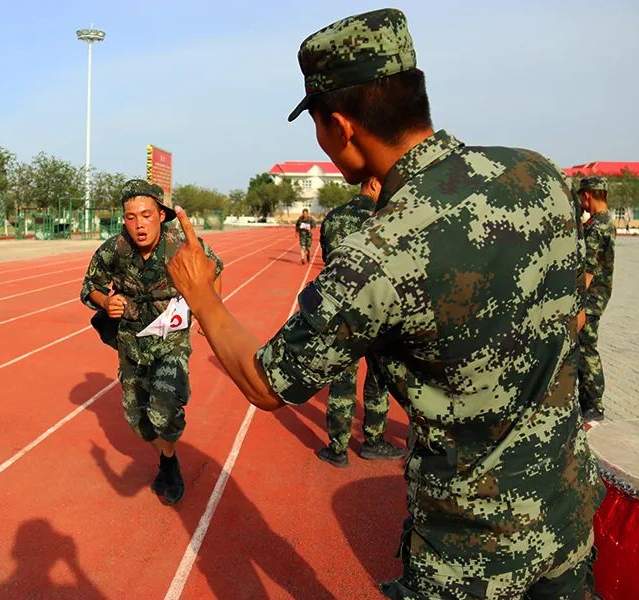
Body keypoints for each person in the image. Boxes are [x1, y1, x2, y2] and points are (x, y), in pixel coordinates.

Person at [166, 8, 603, 598]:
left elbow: (267, 384)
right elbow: (573, 312)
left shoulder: (377, 253)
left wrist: (203, 296)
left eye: (317, 126)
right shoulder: (536, 172)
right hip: (569, 514)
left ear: (340, 126)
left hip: (469, 554)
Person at [80, 179, 223, 505]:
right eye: (130, 217)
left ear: (161, 214)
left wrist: (209, 312)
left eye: (146, 215)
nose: (138, 224)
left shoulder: (181, 245)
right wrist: (105, 302)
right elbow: (89, 286)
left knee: (164, 411)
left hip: (171, 340)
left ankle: (170, 462)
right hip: (131, 342)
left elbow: (216, 268)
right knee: (138, 420)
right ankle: (166, 457)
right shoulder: (114, 250)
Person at [317, 176, 403, 467]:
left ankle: (338, 448)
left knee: (342, 379)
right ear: (376, 184)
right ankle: (374, 441)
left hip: (342, 312)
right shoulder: (386, 218)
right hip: (379, 312)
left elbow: (328, 262)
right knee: (378, 380)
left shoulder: (333, 218)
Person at [577, 176, 615, 422]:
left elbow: (588, 270)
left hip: (590, 299)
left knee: (586, 350)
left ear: (587, 195)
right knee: (584, 348)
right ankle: (588, 402)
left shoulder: (597, 226)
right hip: (598, 296)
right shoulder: (605, 221)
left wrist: (577, 304)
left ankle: (594, 405)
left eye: (582, 197)